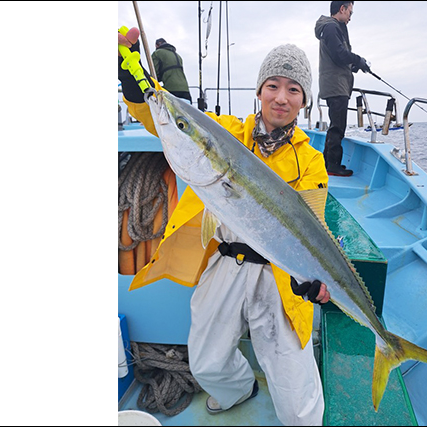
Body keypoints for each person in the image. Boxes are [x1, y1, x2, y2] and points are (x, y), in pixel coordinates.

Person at [119, 27, 331, 426]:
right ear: (259, 90)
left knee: (296, 400)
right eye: (273, 85)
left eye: (293, 89)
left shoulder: (311, 161)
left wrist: (314, 282)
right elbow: (161, 119)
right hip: (226, 260)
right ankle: (239, 388)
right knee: (206, 363)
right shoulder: (229, 132)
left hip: (281, 273)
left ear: (304, 100)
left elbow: (311, 227)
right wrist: (133, 79)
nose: (281, 98)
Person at [315, 1, 370, 177]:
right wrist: (358, 60)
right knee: (337, 127)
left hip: (337, 84)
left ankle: (329, 163)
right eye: (350, 13)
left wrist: (353, 65)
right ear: (342, 9)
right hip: (336, 86)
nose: (350, 18)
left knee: (336, 125)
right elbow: (340, 54)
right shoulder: (331, 28)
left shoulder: (333, 28)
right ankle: (332, 166)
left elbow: (338, 56)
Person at [151, 37, 192, 103]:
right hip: (185, 91)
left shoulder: (157, 53)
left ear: (157, 45)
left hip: (171, 90)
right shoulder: (178, 56)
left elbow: (154, 73)